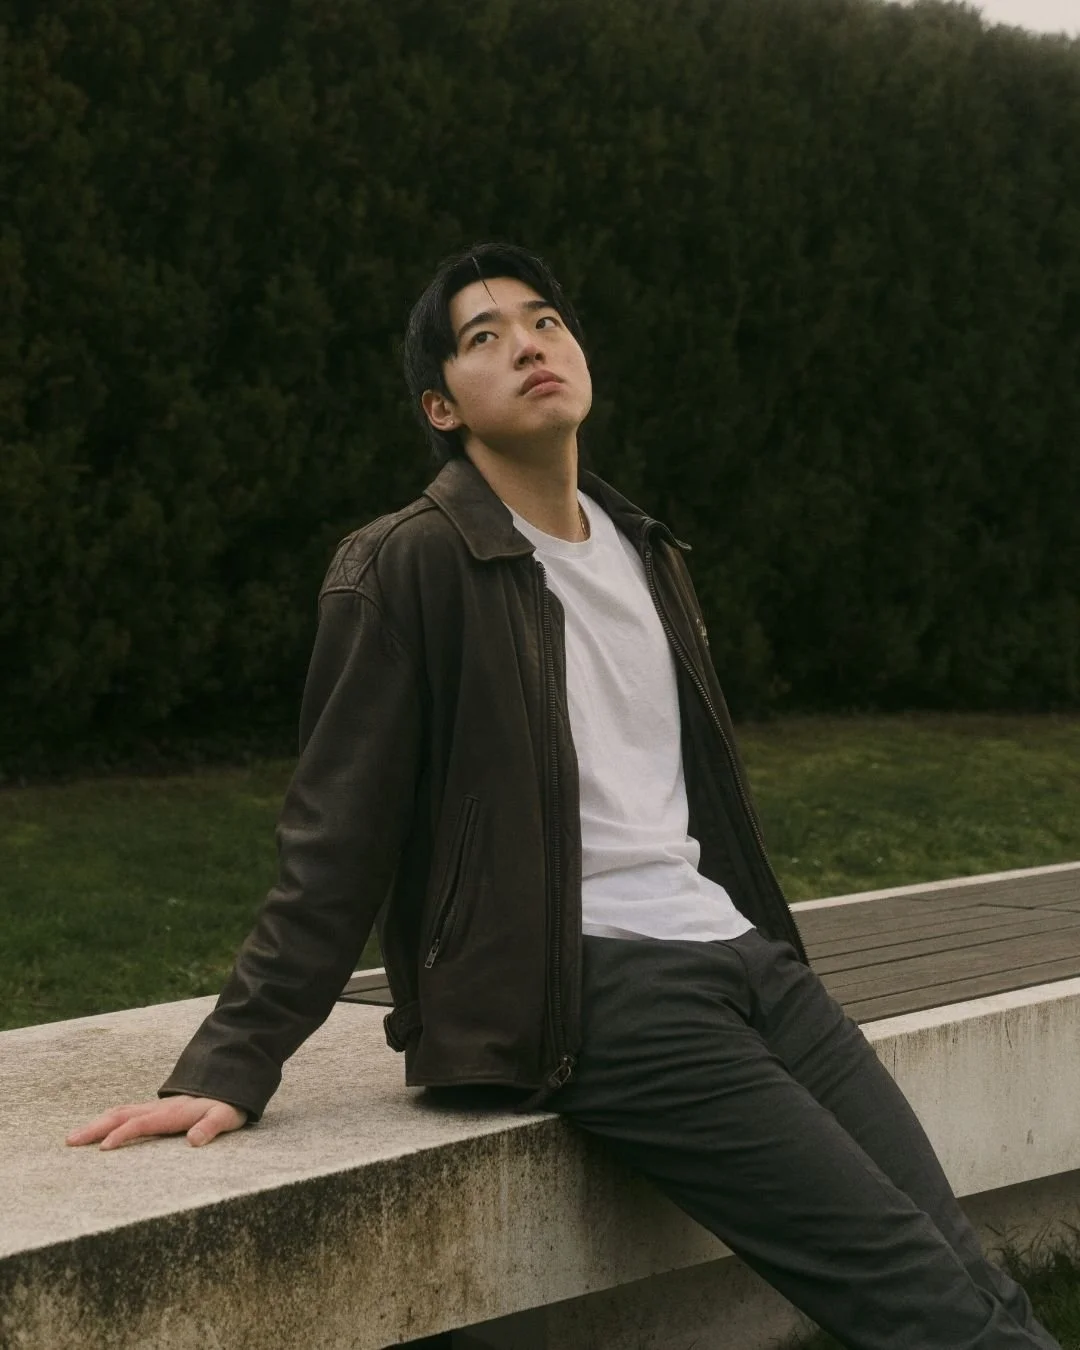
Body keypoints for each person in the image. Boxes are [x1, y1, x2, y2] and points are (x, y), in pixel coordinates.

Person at [68, 242, 1059, 1349]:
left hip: (745, 961)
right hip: (595, 993)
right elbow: (336, 835)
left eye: (544, 321)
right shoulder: (407, 565)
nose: (528, 344)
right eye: (483, 337)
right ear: (443, 407)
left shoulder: (645, 551)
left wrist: (756, 947)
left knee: (968, 1276)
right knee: (920, 1300)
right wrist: (234, 1060)